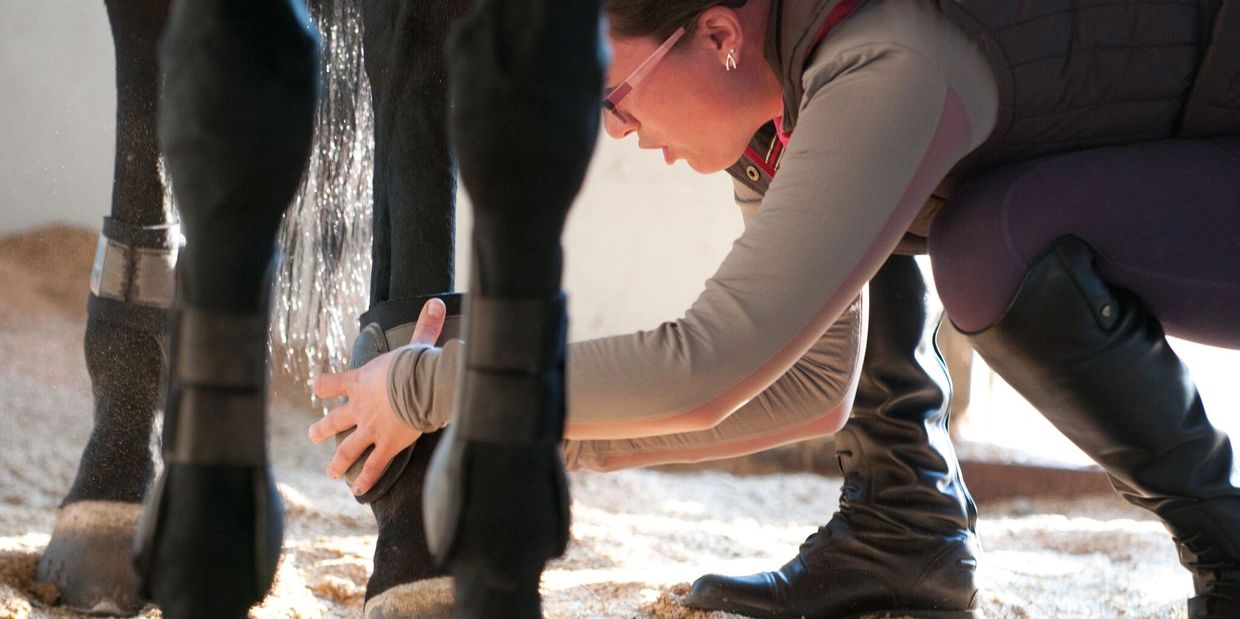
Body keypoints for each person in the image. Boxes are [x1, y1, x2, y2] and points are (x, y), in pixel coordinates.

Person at [311, 0, 1240, 617]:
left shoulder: (889, 52)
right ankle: (901, 522)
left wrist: (431, 388)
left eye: (616, 98)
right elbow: (810, 384)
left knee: (992, 245)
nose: (619, 134)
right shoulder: (794, 82)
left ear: (717, 34)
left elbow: (707, 365)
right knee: (908, 227)